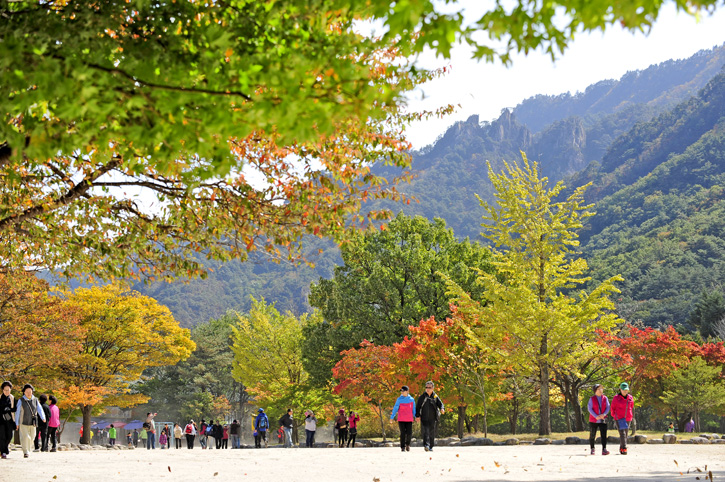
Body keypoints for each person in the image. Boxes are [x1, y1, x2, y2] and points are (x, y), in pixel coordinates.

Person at [15, 383, 46, 458]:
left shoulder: (35, 400)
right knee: (25, 437)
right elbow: (17, 412)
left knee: (32, 436)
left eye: (30, 391)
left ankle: (28, 449)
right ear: (24, 392)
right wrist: (17, 423)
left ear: (32, 392)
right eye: (27, 391)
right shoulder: (21, 400)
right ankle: (26, 451)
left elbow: (39, 409)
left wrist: (43, 417)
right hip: (23, 422)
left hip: (33, 422)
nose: (29, 393)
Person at [416, 380, 445, 452]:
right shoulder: (422, 397)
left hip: (433, 418)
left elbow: (440, 404)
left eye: (429, 387)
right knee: (425, 431)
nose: (428, 389)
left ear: (433, 388)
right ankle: (426, 445)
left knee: (432, 432)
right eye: (426, 387)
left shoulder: (435, 396)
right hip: (424, 417)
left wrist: (442, 408)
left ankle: (431, 446)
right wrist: (417, 416)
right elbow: (418, 407)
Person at [611, 382, 634, 455]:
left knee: (626, 434)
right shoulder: (616, 398)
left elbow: (632, 406)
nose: (625, 391)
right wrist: (614, 416)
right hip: (619, 418)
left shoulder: (630, 397)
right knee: (622, 433)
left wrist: (630, 415)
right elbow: (613, 408)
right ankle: (624, 448)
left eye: (626, 390)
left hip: (628, 418)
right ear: (620, 389)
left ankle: (621, 448)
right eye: (624, 390)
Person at [390, 385, 416, 452]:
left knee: (409, 433)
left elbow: (413, 409)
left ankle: (407, 444)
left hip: (409, 419)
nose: (401, 392)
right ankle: (402, 447)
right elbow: (395, 408)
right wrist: (392, 417)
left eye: (403, 391)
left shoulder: (411, 399)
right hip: (401, 419)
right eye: (401, 391)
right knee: (403, 433)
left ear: (407, 391)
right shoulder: (399, 399)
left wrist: (416, 416)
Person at [587, 384, 610, 455]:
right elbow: (589, 408)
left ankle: (604, 449)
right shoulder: (592, 399)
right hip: (594, 420)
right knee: (592, 434)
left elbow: (608, 407)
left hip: (603, 419)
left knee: (604, 435)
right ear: (595, 391)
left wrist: (604, 414)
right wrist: (595, 416)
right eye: (598, 389)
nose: (600, 390)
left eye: (601, 389)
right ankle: (592, 448)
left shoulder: (605, 398)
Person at [1, 381, 15, 459]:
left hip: (9, 419)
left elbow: (14, 409)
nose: (7, 391)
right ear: (3, 390)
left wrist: (9, 409)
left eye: (8, 390)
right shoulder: (0, 397)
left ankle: (5, 448)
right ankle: (3, 451)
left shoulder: (12, 398)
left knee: (9, 435)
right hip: (1, 420)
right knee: (2, 436)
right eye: (5, 390)